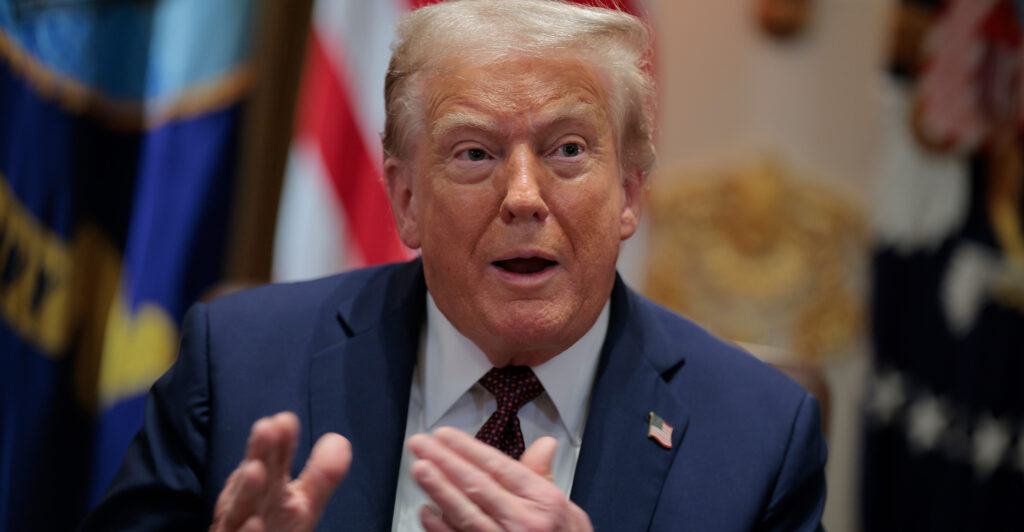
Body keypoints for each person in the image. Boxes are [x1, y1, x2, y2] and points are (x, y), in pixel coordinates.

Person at [81, 1, 827, 530]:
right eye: (475, 153)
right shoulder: (238, 367)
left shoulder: (759, 439)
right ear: (406, 199)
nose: (525, 197)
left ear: (630, 192)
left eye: (569, 150)